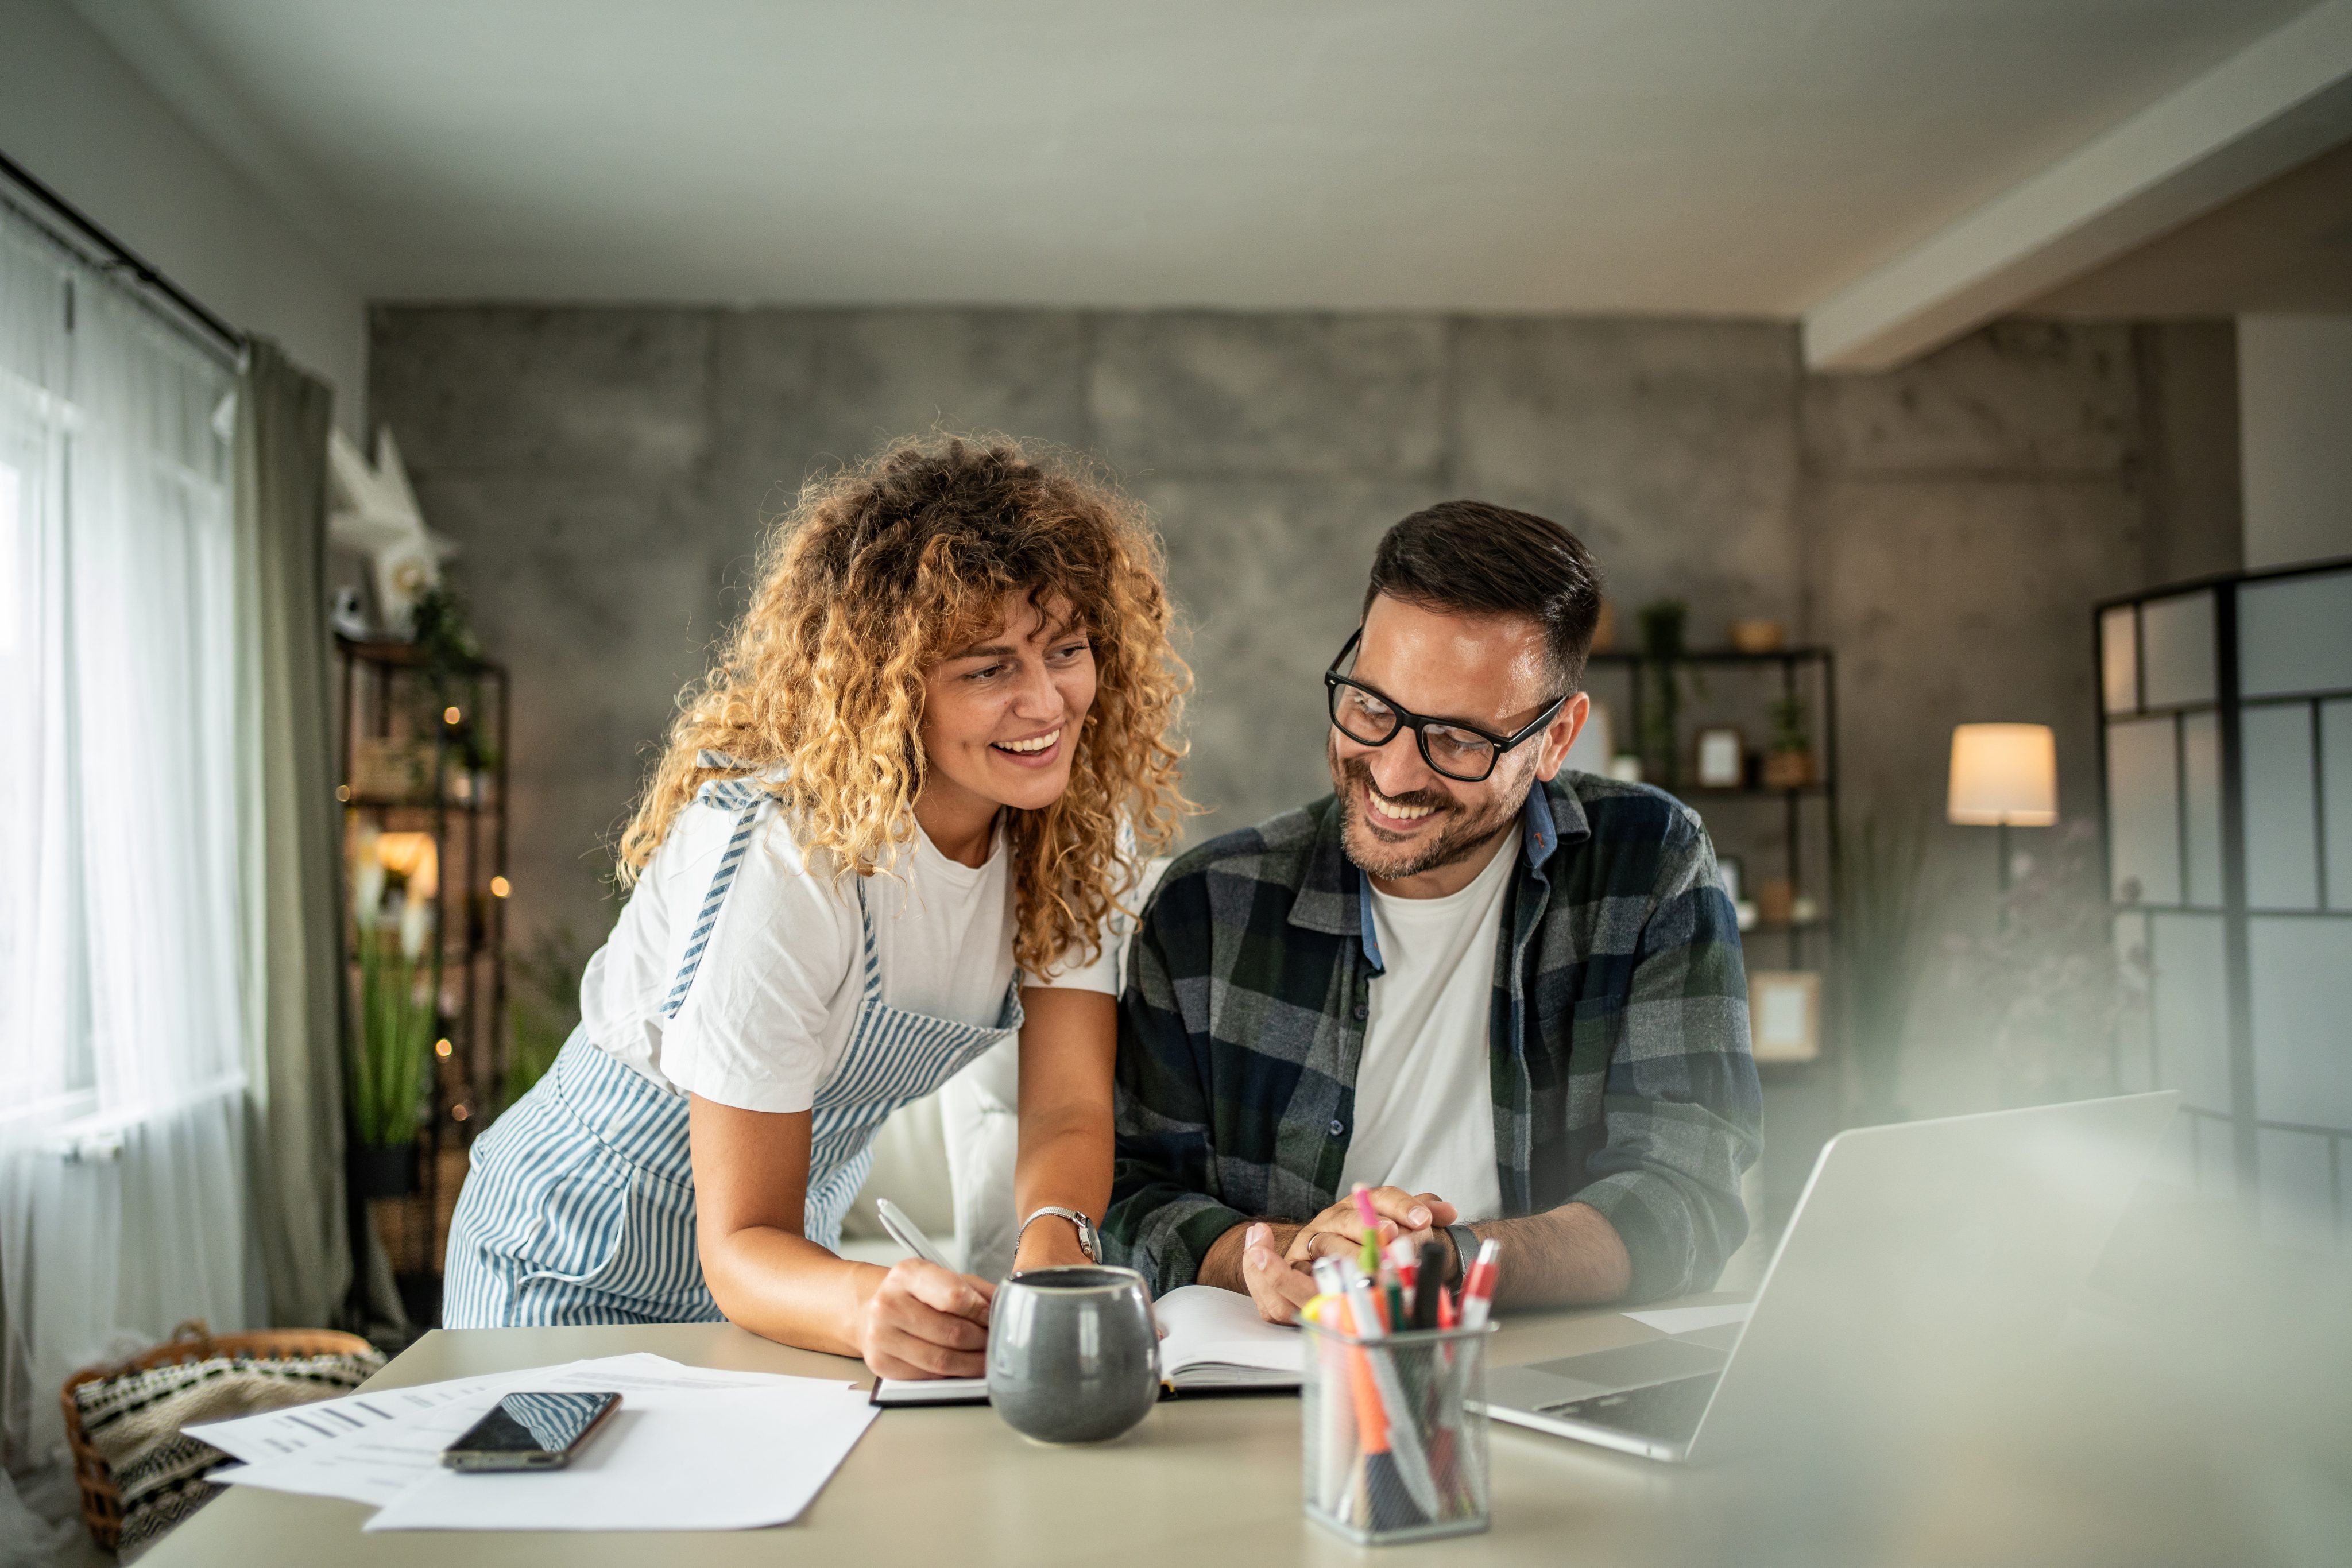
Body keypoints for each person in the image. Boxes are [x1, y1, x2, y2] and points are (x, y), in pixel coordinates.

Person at [444, 436, 1189, 1380]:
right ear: (888, 690)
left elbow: (1069, 1108)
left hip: (781, 1278)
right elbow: (740, 1239)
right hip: (572, 1271)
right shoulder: (788, 858)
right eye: (987, 669)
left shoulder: (1074, 830)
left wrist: (1055, 1250)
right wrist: (866, 1302)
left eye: (1066, 651)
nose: (1046, 703)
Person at [1106, 500, 1761, 1321]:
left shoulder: (1652, 866)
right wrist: (1276, 1256)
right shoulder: (1208, 908)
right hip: (1284, 1371)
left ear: (1557, 741)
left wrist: (1451, 1262)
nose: (1394, 772)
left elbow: (1686, 1192)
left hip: (1549, 1363)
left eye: (1456, 740)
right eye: (1372, 709)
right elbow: (1123, 1195)